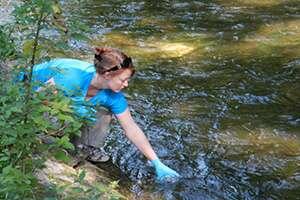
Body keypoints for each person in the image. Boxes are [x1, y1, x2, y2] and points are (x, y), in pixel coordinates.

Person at [30, 47, 180, 181]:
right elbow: (38, 102)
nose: (126, 84)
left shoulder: (114, 97)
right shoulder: (71, 77)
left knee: (103, 109)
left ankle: (85, 147)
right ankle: (44, 139)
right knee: (63, 111)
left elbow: (131, 128)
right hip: (29, 94)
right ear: (107, 75)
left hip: (62, 105)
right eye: (123, 80)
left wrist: (156, 162)